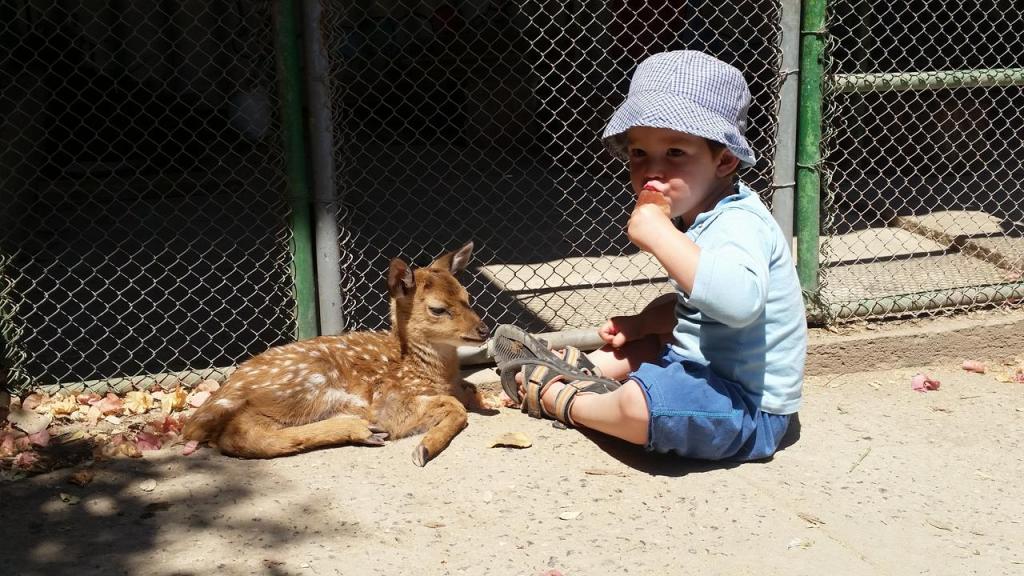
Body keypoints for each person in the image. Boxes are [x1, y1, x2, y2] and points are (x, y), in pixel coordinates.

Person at [494, 50, 807, 462]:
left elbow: (738, 304)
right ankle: (589, 368)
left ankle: (565, 398)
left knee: (639, 406)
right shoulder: (703, 211)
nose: (651, 171)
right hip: (706, 371)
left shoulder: (739, 224)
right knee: (661, 324)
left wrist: (659, 235)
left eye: (675, 153)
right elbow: (695, 311)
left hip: (743, 408)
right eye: (639, 153)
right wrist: (642, 324)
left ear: (724, 160)